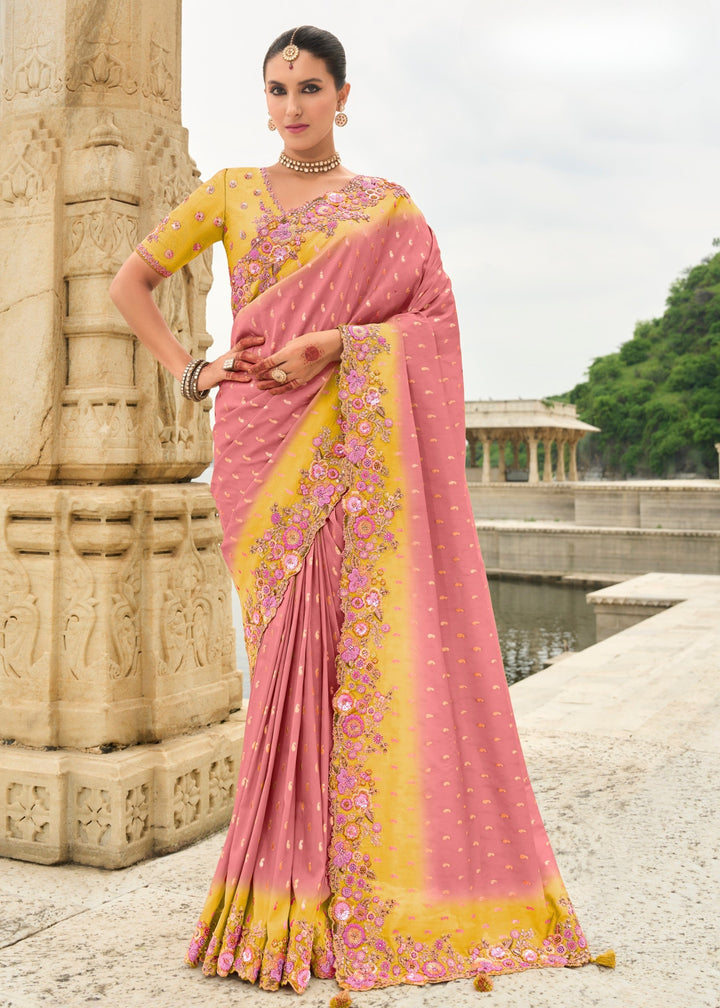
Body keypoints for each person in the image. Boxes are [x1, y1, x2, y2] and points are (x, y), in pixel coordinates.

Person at [111, 24, 608, 998]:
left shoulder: (387, 208)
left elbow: (432, 324)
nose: (292, 105)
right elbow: (133, 283)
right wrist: (193, 369)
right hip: (259, 450)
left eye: (309, 87)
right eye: (277, 88)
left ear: (344, 95)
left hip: (348, 444)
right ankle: (277, 895)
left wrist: (340, 342)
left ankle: (352, 892)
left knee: (357, 662)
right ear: (264, 99)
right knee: (283, 665)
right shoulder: (230, 193)